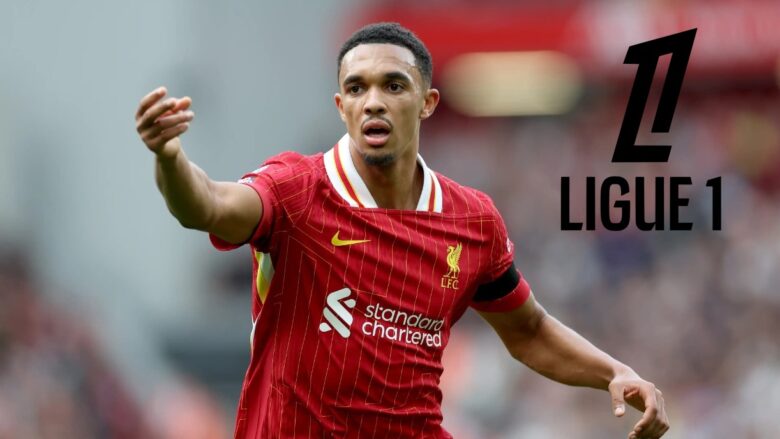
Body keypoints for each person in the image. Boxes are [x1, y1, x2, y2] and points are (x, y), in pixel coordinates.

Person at [135, 22, 669, 439]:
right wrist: (169, 158)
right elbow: (206, 206)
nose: (374, 100)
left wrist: (613, 372)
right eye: (356, 88)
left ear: (427, 102)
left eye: (393, 85)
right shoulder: (297, 189)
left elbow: (528, 331)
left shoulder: (471, 219)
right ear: (341, 106)